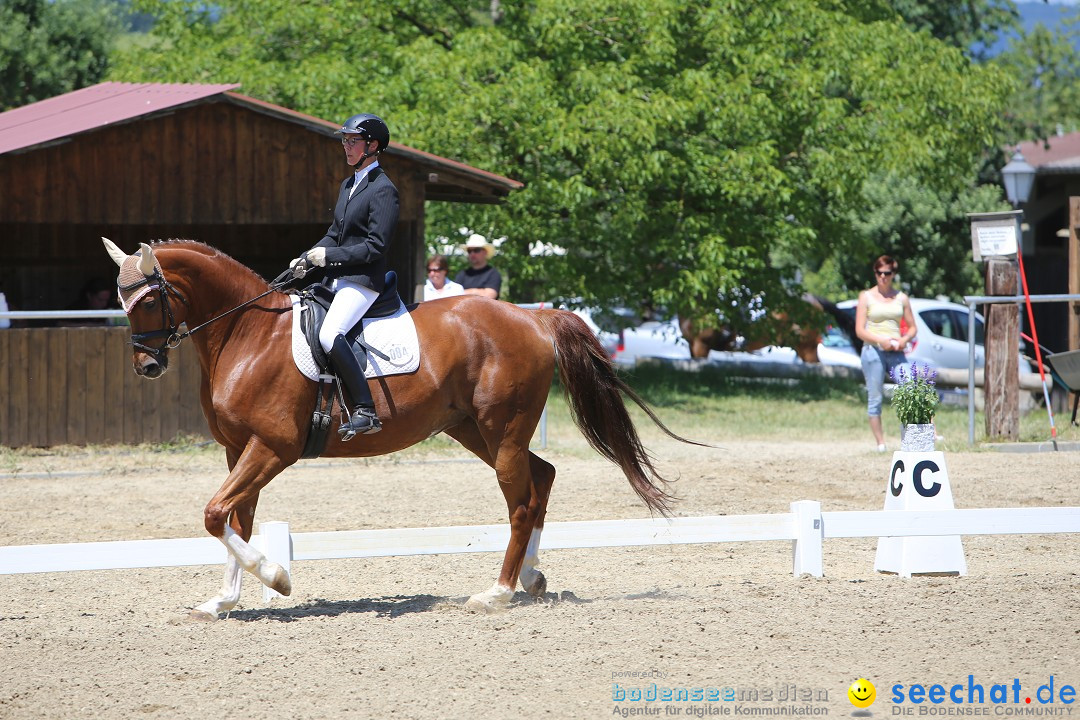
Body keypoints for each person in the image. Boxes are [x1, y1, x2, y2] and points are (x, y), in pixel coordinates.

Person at [289, 112, 399, 438]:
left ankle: (366, 409)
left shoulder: (383, 189)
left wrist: (329, 256)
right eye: (345, 141)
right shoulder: (348, 185)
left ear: (372, 145)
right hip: (338, 278)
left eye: (353, 141)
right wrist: (308, 257)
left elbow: (375, 246)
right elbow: (334, 234)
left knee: (328, 333)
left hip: (364, 282)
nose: (346, 147)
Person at [855, 255, 917, 452]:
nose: (883, 277)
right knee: (875, 397)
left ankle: (910, 437)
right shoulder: (866, 296)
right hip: (873, 350)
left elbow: (913, 328)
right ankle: (881, 443)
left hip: (896, 351)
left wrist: (903, 340)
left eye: (887, 273)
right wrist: (880, 340)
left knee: (909, 388)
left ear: (893, 274)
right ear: (875, 273)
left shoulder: (901, 298)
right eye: (879, 273)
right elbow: (860, 330)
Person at [455, 234, 501, 299]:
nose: (472, 254)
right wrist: (480, 292)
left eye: (476, 250)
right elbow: (454, 295)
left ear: (485, 252)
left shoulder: (493, 274)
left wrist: (465, 292)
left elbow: (490, 296)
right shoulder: (462, 274)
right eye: (469, 251)